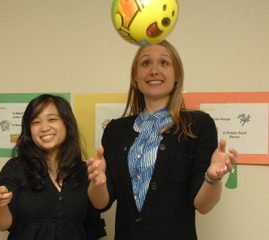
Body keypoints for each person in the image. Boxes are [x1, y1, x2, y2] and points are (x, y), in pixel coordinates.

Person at [87, 40, 238, 240]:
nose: (154, 70)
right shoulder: (115, 130)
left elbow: (203, 206)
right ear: (135, 77)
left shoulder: (198, 125)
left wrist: (213, 178)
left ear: (177, 75)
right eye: (146, 63)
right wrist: (97, 184)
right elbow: (101, 203)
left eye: (164, 63)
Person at [0, 94, 107, 240]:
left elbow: (96, 218)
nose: (44, 128)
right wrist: (0, 204)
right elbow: (2, 225)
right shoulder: (15, 168)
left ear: (66, 124)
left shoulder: (83, 170)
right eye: (36, 122)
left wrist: (99, 183)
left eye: (52, 119)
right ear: (28, 130)